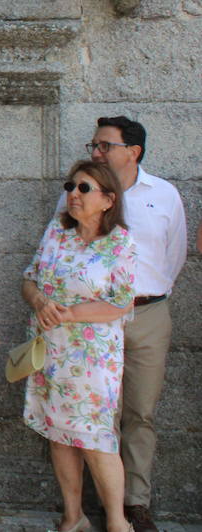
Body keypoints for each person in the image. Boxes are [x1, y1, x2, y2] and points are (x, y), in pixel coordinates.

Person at [61, 116, 185, 532]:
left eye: (105, 146)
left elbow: (176, 254)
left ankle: (135, 503)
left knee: (140, 411)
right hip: (92, 321)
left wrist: (145, 294)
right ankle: (103, 504)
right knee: (98, 412)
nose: (96, 152)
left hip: (147, 314)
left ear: (133, 152)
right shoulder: (80, 191)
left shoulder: (164, 195)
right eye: (94, 144)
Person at [23, 160, 136, 532]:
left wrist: (69, 314)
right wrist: (40, 302)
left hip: (94, 359)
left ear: (107, 199)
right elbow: (29, 279)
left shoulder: (119, 241)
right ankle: (73, 517)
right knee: (60, 434)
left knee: (96, 439)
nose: (73, 194)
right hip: (52, 351)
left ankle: (118, 523)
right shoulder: (58, 231)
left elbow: (121, 302)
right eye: (71, 186)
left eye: (84, 188)